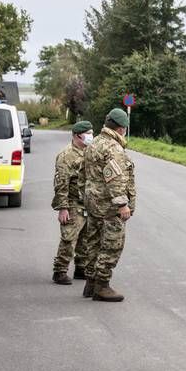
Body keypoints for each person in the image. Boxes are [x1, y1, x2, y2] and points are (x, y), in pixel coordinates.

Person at [82, 108, 135, 302]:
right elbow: (115, 179)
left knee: (93, 241)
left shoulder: (94, 143)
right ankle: (102, 286)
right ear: (121, 128)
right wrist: (122, 204)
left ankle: (90, 282)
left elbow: (83, 174)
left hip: (92, 202)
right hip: (109, 206)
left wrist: (86, 195)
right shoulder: (113, 148)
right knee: (112, 244)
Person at [50, 120, 94, 284]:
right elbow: (61, 183)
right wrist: (63, 208)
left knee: (85, 238)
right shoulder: (66, 155)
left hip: (87, 203)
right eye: (88, 133)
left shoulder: (89, 152)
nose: (91, 136)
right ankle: (60, 270)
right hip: (73, 202)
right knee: (69, 238)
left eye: (92, 133)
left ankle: (81, 268)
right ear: (77, 135)